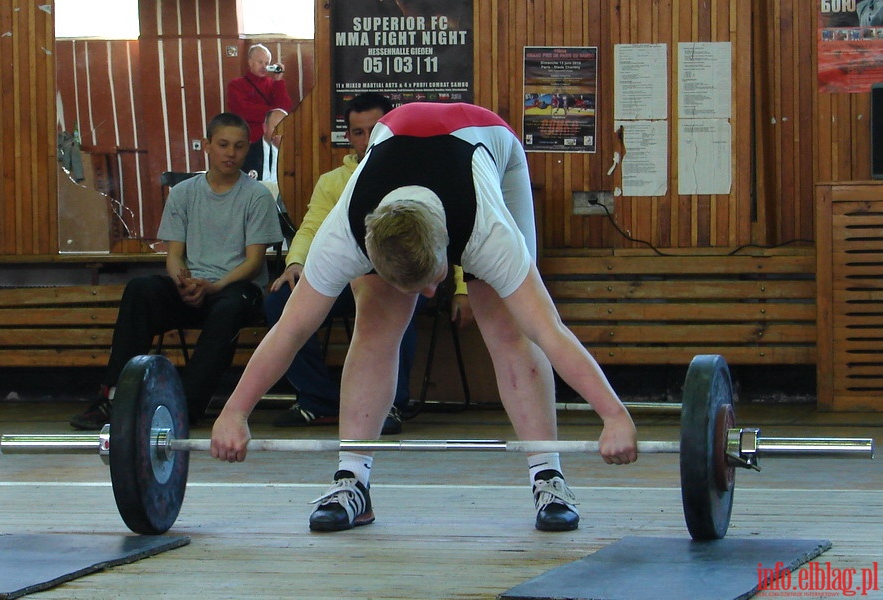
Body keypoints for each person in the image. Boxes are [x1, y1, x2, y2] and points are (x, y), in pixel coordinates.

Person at [210, 102, 638, 534]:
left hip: (488, 142)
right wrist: (234, 413)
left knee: (509, 329)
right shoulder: (344, 234)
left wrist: (614, 415)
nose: (431, 295)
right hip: (397, 149)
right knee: (375, 326)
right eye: (419, 289)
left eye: (433, 282)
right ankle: (352, 481)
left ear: (451, 249)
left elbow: (550, 331)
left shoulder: (487, 230)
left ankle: (549, 477)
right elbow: (291, 330)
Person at [265, 93, 473, 435]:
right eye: (357, 132)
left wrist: (464, 290)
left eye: (372, 131)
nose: (365, 140)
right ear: (348, 136)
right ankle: (319, 401)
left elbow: (457, 232)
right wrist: (295, 263)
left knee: (393, 301)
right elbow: (312, 226)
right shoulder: (332, 181)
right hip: (346, 281)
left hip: (408, 276)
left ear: (389, 130)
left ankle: (390, 404)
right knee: (279, 300)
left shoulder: (418, 170)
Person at [69, 112, 283, 430]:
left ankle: (185, 405)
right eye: (223, 145)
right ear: (208, 146)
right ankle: (113, 397)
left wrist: (214, 285)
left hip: (236, 288)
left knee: (231, 304)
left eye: (238, 146)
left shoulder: (257, 196)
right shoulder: (183, 193)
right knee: (141, 289)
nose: (231, 153)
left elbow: (253, 263)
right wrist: (183, 282)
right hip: (193, 286)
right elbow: (174, 255)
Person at [226, 44, 293, 143]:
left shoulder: (273, 84)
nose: (264, 66)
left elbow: (284, 110)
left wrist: (278, 81)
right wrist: (273, 114)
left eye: (267, 63)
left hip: (272, 139)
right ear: (250, 62)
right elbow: (244, 111)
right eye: (260, 62)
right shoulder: (236, 85)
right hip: (248, 138)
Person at [242, 108, 287, 181]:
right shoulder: (247, 153)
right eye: (276, 128)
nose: (281, 132)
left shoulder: (295, 155)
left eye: (285, 128)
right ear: (265, 128)